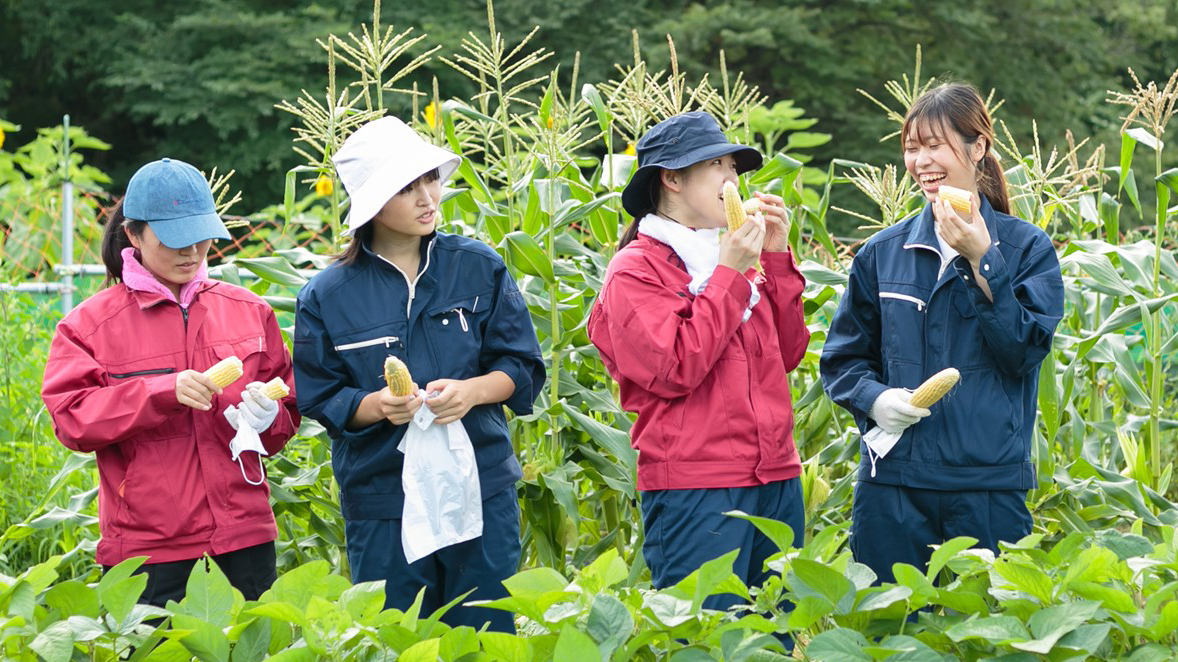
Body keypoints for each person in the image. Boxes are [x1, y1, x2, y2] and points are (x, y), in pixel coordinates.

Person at [292, 116, 545, 631]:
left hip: (480, 486)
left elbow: (520, 366)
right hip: (384, 498)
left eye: (430, 179)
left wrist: (472, 392)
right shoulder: (326, 296)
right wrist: (378, 406)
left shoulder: (479, 266)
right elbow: (321, 396)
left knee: (486, 636)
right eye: (408, 188)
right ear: (373, 204)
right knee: (399, 639)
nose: (428, 197)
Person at [819, 83, 1064, 584]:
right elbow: (843, 362)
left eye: (935, 145)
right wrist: (876, 398)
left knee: (990, 640)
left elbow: (1022, 352)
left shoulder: (1025, 250)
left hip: (987, 489)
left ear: (978, 149)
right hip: (892, 488)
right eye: (911, 147)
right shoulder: (882, 253)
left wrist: (982, 260)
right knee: (892, 637)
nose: (921, 160)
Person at [42, 157, 300, 606]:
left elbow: (285, 417)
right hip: (149, 549)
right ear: (134, 235)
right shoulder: (88, 327)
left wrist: (269, 418)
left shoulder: (249, 311)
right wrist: (159, 392)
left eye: (202, 237)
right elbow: (71, 421)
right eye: (175, 240)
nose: (192, 252)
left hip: (244, 537)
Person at [587, 111, 810, 618]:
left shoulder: (730, 257)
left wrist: (774, 258)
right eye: (717, 165)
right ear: (671, 178)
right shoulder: (636, 270)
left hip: (774, 476)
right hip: (697, 485)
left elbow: (789, 353)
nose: (733, 179)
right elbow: (675, 369)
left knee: (770, 638)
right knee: (708, 638)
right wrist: (731, 272)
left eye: (734, 166)